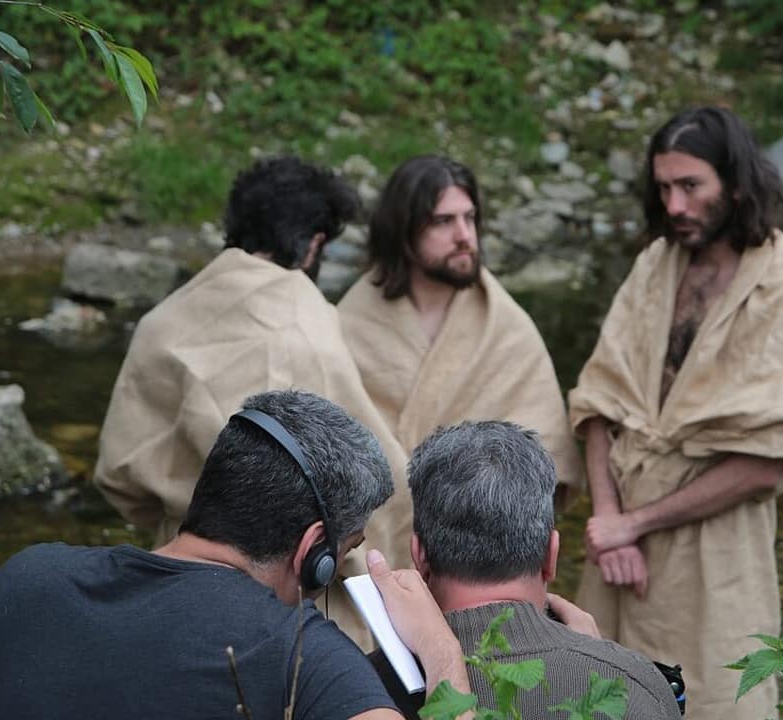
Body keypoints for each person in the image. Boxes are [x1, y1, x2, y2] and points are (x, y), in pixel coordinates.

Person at [0, 390, 474, 720]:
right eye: (346, 552)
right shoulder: (303, 657)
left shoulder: (27, 576)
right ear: (314, 553)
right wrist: (440, 650)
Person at [569, 107, 783, 720]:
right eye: (663, 187)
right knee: (602, 694)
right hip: (619, 547)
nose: (673, 205)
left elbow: (764, 466)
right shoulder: (657, 264)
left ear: (737, 183)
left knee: (718, 698)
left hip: (717, 553)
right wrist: (610, 517)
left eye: (690, 186)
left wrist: (635, 524)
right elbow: (598, 401)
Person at [93, 157, 415, 646]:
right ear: (314, 245)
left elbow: (119, 475)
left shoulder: (163, 318)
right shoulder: (308, 326)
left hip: (176, 581)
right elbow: (378, 482)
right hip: (294, 600)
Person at [373, 420, 682, 720]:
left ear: (419, 557)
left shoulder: (359, 691)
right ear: (551, 555)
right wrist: (602, 660)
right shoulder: (636, 688)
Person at [337, 155, 582, 503]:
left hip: (474, 537)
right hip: (372, 531)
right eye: (443, 221)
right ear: (403, 228)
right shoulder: (352, 320)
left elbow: (545, 450)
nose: (464, 236)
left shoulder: (506, 327)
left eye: (470, 218)